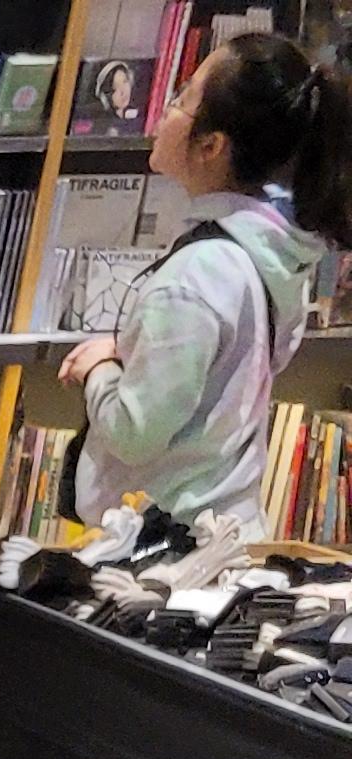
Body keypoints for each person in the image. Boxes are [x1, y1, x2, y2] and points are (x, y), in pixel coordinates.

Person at [62, 31, 352, 538]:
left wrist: (98, 370)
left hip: (168, 548)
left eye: (182, 98)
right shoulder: (274, 251)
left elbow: (135, 433)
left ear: (212, 146)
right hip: (226, 533)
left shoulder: (197, 273)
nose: (163, 113)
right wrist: (129, 352)